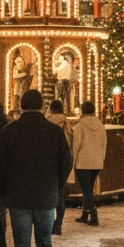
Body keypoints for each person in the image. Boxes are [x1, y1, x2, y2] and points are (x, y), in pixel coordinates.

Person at [0, 89, 72, 247]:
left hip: (18, 198)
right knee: (44, 242)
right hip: (46, 196)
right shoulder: (54, 132)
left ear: (22, 106)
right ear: (42, 106)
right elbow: (66, 161)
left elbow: (0, 165)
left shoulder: (10, 131)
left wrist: (3, 191)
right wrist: (56, 185)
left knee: (22, 246)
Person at [72, 101, 107, 228]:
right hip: (96, 162)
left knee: (86, 190)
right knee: (89, 188)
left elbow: (77, 145)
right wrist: (101, 158)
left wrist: (73, 159)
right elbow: (104, 143)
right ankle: (84, 214)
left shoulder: (80, 126)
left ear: (82, 111)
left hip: (83, 161)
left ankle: (94, 215)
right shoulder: (100, 125)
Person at [45, 100, 69, 234]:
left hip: (48, 162)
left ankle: (47, 224)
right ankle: (58, 224)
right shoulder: (65, 122)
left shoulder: (46, 122)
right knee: (60, 195)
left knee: (47, 195)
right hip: (60, 163)